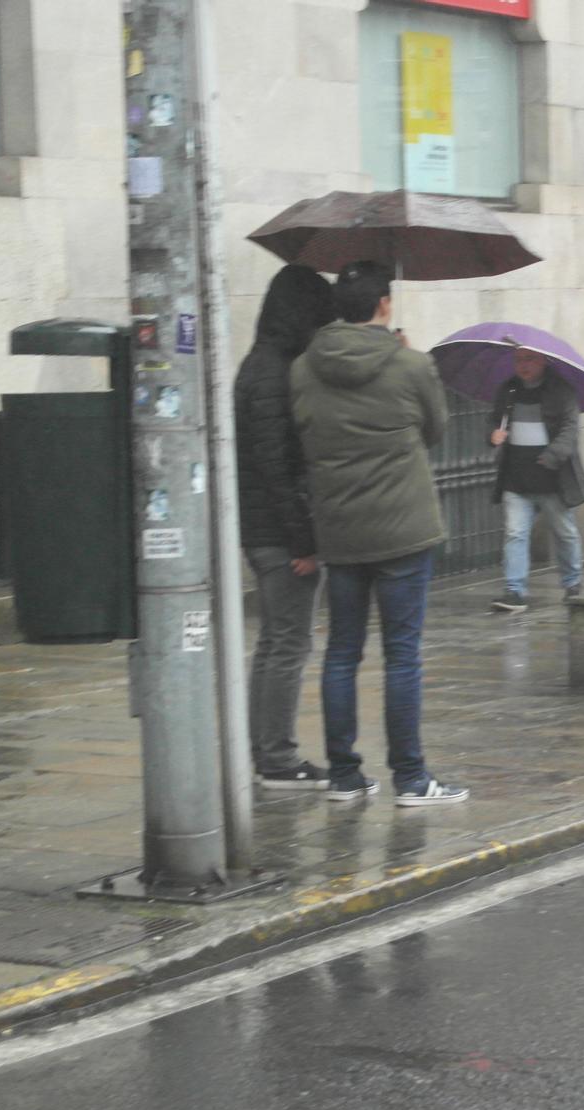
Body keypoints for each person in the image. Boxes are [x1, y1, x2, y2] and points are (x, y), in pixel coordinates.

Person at [290, 260, 468, 806]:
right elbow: (436, 430)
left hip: (341, 530)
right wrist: (409, 357)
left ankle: (343, 775)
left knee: (342, 651)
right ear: (384, 305)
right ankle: (411, 779)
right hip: (403, 530)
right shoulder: (411, 364)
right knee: (402, 654)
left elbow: (303, 436)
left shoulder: (302, 369)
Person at [234, 263, 334, 789]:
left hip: (263, 528)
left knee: (275, 642)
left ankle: (264, 750)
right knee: (289, 645)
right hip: (278, 533)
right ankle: (276, 757)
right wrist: (303, 540)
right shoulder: (273, 373)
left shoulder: (260, 364)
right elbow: (277, 466)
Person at [488, 347, 584, 613]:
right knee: (515, 533)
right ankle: (514, 591)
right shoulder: (508, 390)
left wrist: (553, 455)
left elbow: (570, 429)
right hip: (516, 479)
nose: (524, 365)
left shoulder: (561, 391)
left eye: (530, 359)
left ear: (544, 360)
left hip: (552, 479)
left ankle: (573, 583)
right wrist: (493, 435)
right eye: (519, 360)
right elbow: (496, 422)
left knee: (564, 533)